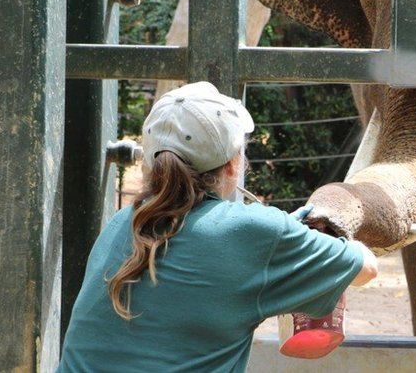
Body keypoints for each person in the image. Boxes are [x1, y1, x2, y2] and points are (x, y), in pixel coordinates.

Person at [59, 82, 378, 372]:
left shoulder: (122, 222)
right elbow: (366, 268)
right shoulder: (256, 232)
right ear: (233, 164)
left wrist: (279, 238)